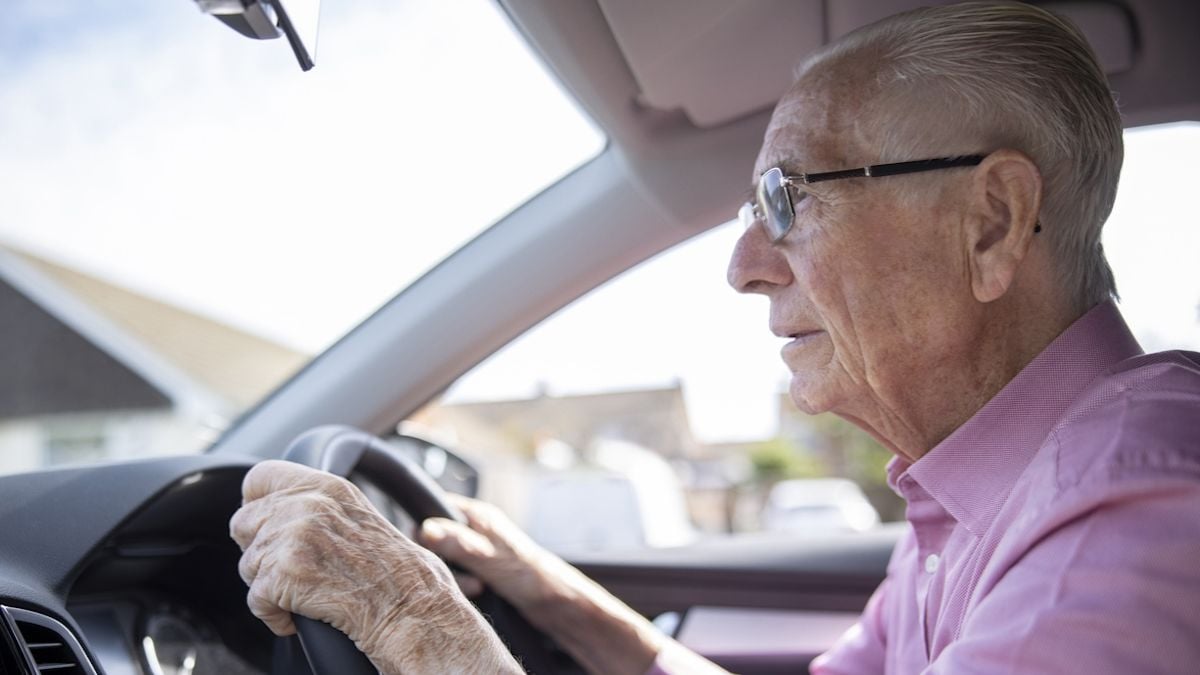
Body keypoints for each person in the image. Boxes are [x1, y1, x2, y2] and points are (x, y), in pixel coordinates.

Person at [229, 2, 1200, 673]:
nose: (743, 265)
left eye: (787, 198)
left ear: (988, 223)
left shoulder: (1128, 518)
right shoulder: (987, 486)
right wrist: (560, 598)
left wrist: (418, 625)